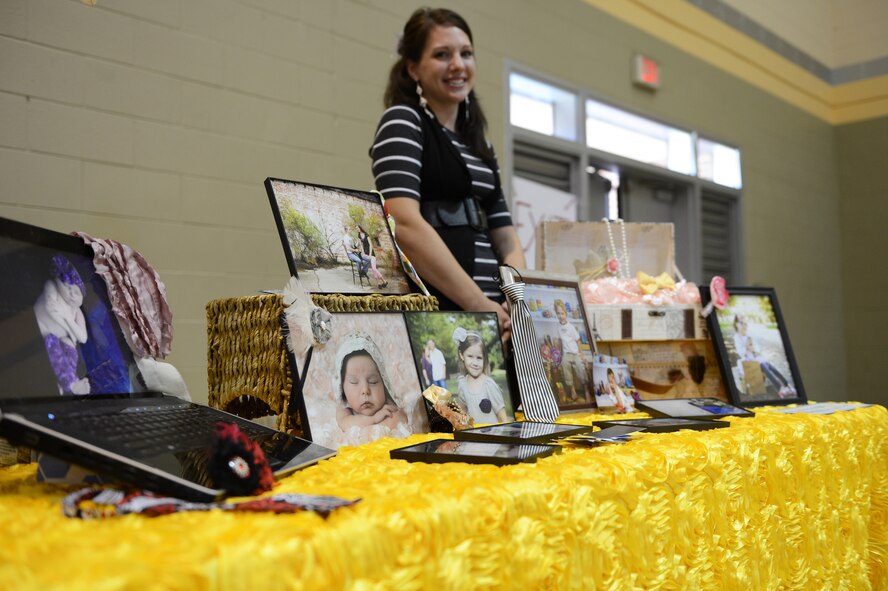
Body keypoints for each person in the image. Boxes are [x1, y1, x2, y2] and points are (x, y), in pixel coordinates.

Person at [370, 7, 525, 337]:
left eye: (466, 53)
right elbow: (404, 224)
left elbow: (506, 234)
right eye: (442, 55)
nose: (458, 65)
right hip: (443, 316)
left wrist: (516, 299)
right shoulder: (402, 121)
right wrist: (477, 303)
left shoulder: (479, 142)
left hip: (498, 319)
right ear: (413, 68)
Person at [33, 255, 91, 395]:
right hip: (43, 328)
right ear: (57, 281)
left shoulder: (76, 312)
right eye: (66, 286)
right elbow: (51, 309)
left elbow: (82, 338)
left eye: (76, 292)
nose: (71, 294)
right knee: (52, 341)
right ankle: (71, 384)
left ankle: (64, 381)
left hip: (63, 337)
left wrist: (67, 318)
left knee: (70, 349)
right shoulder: (51, 286)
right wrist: (69, 328)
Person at [334, 333, 408, 432]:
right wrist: (373, 419)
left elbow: (401, 421)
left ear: (384, 384)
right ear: (342, 388)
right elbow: (345, 424)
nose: (365, 390)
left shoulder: (388, 408)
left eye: (373, 382)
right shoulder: (345, 412)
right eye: (354, 382)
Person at [453, 327, 509, 424]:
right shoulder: (463, 384)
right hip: (473, 436)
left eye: (479, 358)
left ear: (484, 359)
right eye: (470, 356)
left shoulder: (489, 385)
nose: (475, 363)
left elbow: (503, 418)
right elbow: (462, 412)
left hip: (493, 436)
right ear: (462, 355)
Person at [732, 315, 796, 398]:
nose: (744, 325)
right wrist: (748, 348)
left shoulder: (748, 334)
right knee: (764, 366)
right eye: (741, 322)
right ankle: (780, 389)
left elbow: (757, 348)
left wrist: (754, 349)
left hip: (756, 358)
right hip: (748, 361)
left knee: (770, 367)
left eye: (745, 323)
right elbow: (741, 352)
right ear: (736, 324)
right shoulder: (737, 337)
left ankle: (787, 385)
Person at [554, 299, 588, 403]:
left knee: (579, 366)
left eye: (562, 313)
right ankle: (573, 390)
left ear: (566, 314)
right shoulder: (558, 328)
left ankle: (586, 389)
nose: (561, 316)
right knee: (565, 365)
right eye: (558, 313)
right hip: (566, 354)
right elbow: (559, 342)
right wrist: (557, 355)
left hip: (575, 353)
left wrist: (581, 354)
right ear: (556, 314)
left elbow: (578, 341)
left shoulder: (571, 327)